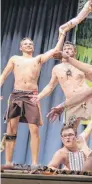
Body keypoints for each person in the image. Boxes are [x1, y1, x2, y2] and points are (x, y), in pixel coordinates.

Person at [0, 34, 65, 167]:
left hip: (31, 96)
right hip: (17, 95)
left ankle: (35, 163)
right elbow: (3, 75)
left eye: (30, 44)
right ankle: (8, 162)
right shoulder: (15, 59)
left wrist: (62, 34)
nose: (28, 45)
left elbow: (54, 52)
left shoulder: (38, 59)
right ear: (20, 47)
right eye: (25, 44)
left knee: (34, 130)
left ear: (33, 47)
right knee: (11, 130)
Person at [32, 41, 92, 129]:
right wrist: (39, 96)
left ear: (75, 52)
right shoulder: (56, 69)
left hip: (87, 98)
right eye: (65, 49)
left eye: (69, 49)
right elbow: (50, 86)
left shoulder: (80, 67)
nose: (66, 51)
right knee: (69, 130)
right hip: (72, 102)